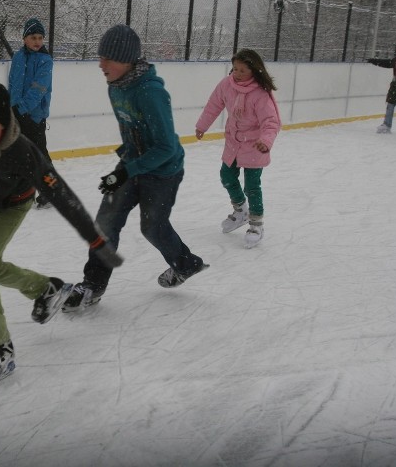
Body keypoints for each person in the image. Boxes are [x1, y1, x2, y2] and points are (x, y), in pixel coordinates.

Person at [0, 81, 122, 385]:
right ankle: (46, 289)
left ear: (5, 124)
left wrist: (96, 239)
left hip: (13, 205)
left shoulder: (21, 149)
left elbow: (60, 194)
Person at [63, 24, 207, 312]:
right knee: (106, 221)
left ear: (128, 61)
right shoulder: (116, 87)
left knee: (152, 227)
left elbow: (166, 146)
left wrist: (128, 170)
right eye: (100, 57)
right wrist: (124, 165)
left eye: (108, 58)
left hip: (164, 171)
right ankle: (93, 284)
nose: (101, 65)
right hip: (133, 163)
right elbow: (132, 132)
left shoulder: (150, 92)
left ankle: (185, 264)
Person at [195, 49, 282, 249]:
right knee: (226, 176)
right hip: (233, 142)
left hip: (254, 145)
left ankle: (256, 224)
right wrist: (202, 125)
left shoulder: (260, 93)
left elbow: (271, 121)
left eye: (243, 70)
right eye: (235, 69)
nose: (238, 73)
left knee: (252, 186)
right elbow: (213, 105)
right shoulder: (227, 85)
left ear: (254, 70)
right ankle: (240, 210)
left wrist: (265, 141)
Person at [8, 18, 54, 208]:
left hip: (34, 116)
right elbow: (13, 84)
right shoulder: (18, 57)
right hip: (17, 113)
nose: (37, 41)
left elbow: (39, 88)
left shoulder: (45, 60)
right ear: (25, 38)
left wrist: (23, 108)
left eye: (40, 38)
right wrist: (12, 107)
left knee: (39, 156)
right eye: (33, 37)